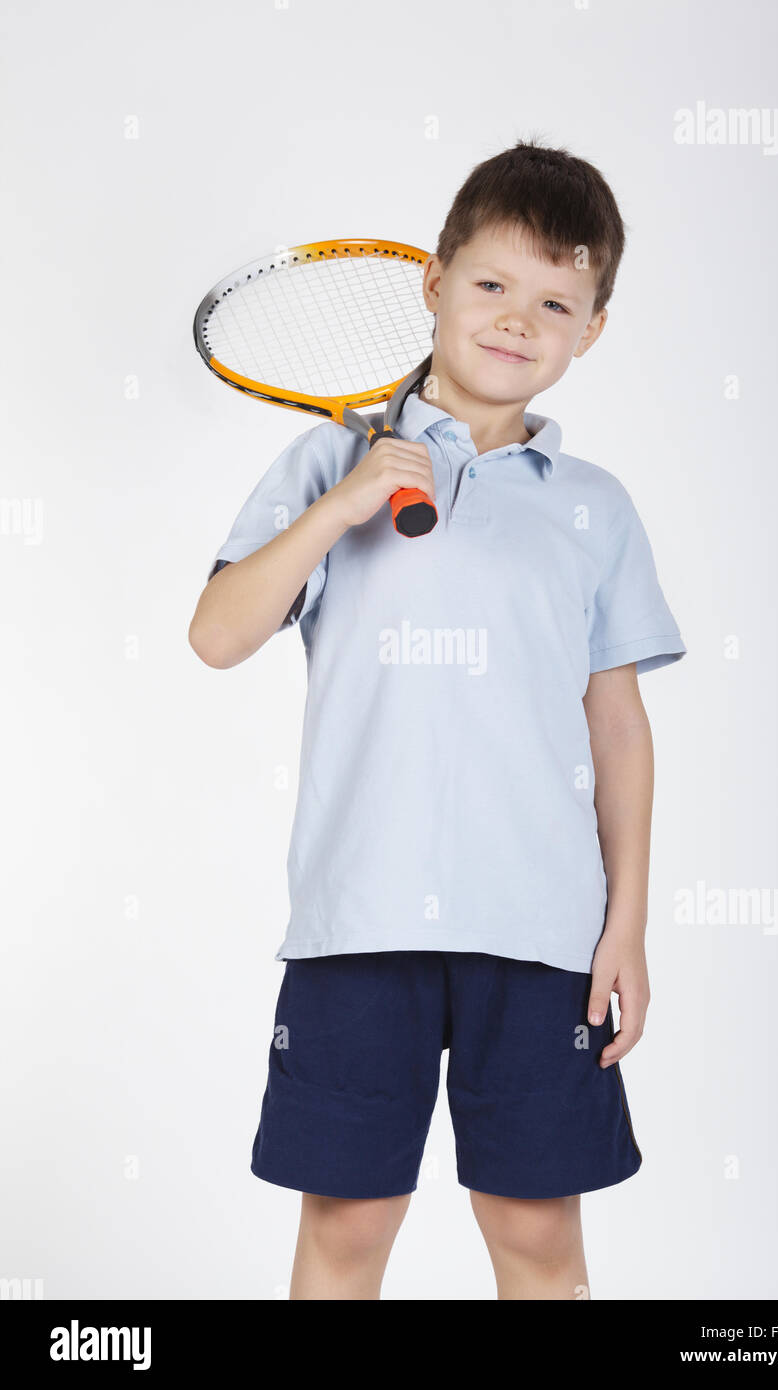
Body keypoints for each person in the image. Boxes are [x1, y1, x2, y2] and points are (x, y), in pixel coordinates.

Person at [188, 139, 687, 1300]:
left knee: (534, 1237)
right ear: (433, 283)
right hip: (357, 922)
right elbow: (216, 634)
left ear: (590, 330)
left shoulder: (593, 509)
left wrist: (628, 923)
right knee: (349, 1231)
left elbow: (616, 728)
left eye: (556, 300)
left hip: (543, 933)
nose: (517, 320)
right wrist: (346, 505)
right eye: (492, 285)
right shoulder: (327, 458)